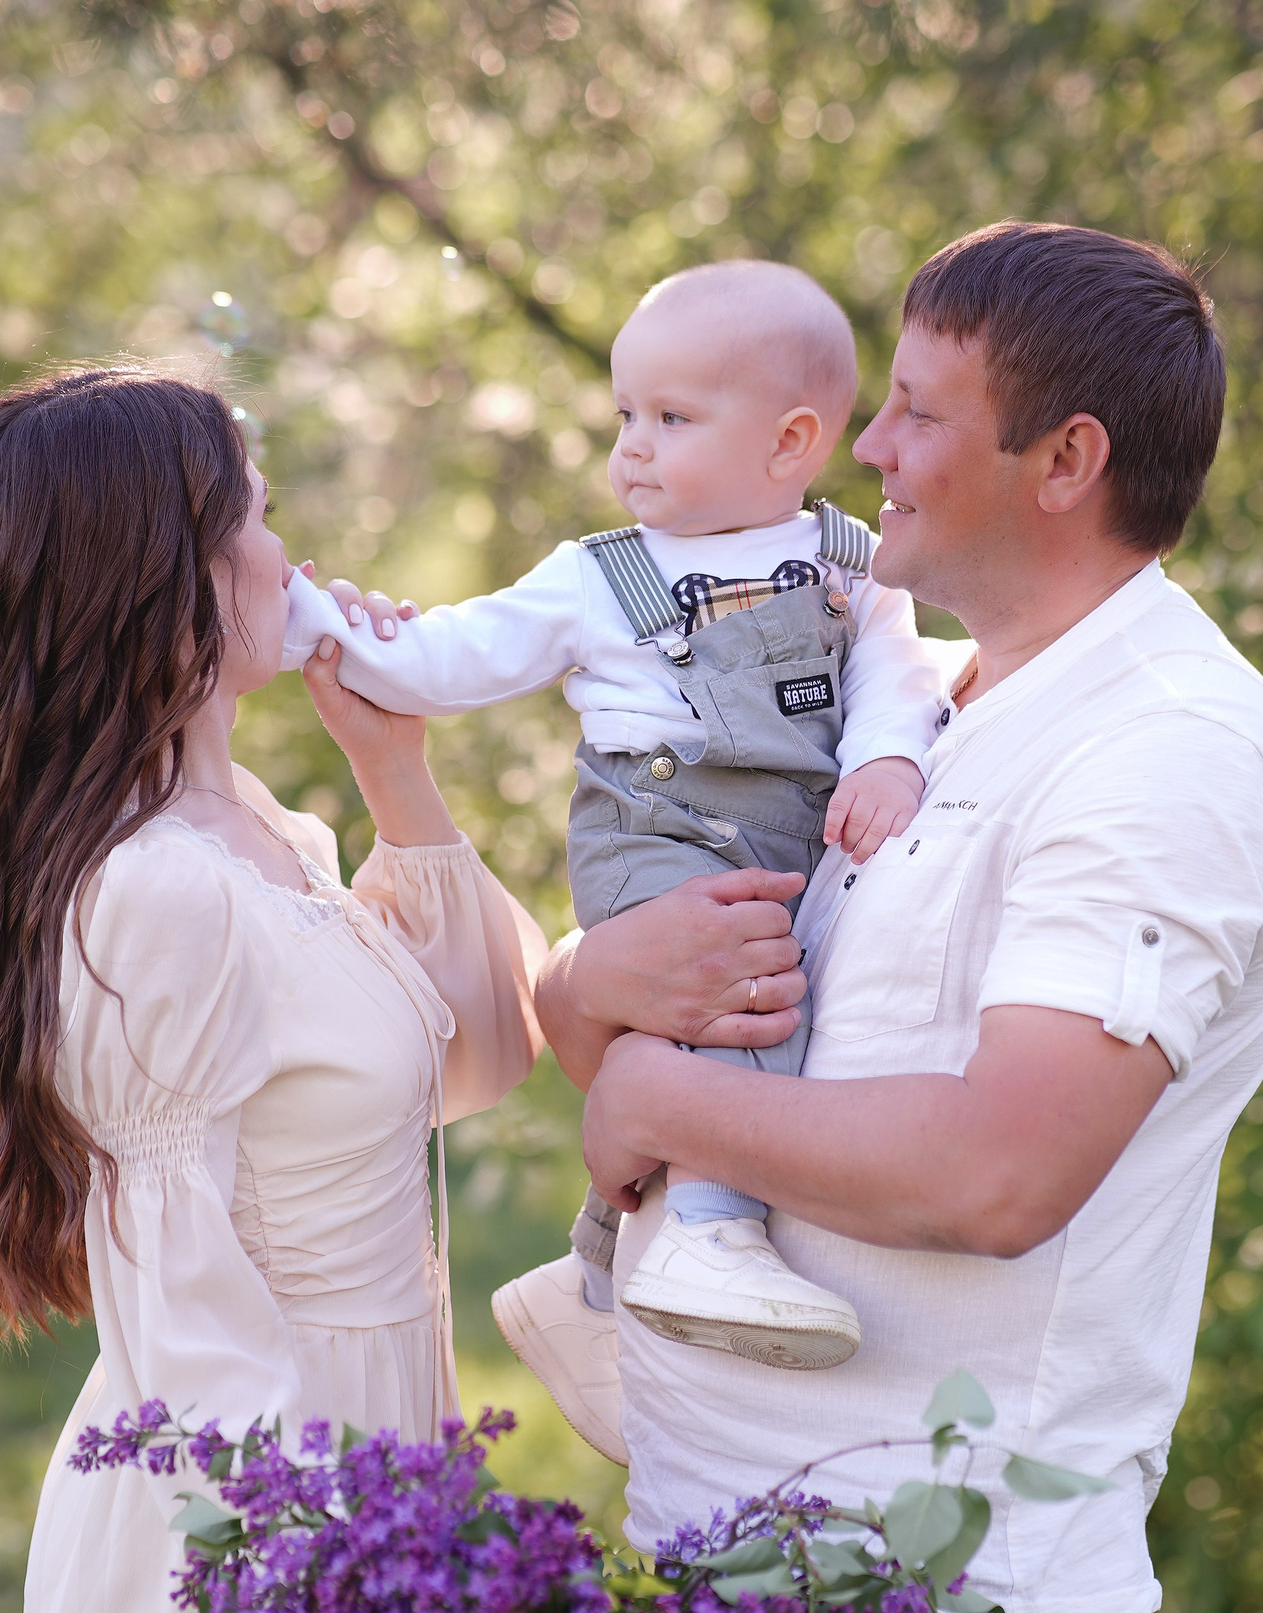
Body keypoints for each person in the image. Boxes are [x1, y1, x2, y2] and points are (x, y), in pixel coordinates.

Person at [533, 223, 1263, 1613]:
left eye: (916, 409)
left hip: (925, 1605)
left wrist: (652, 1096)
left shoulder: (1164, 752)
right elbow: (706, 1013)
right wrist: (591, 988)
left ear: (1066, 458)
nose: (869, 442)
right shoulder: (913, 696)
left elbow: (998, 1172)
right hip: (736, 1562)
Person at [0, 365, 544, 1613]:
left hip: (382, 1458)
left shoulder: (264, 834)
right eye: (255, 516)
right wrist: (329, 1582)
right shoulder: (155, 892)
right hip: (256, 1527)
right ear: (168, 577)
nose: (287, 554)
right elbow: (185, 1314)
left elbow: (488, 1054)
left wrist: (399, 773)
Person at [287, 260, 946, 1428]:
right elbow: (454, 656)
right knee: (745, 999)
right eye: (624, 416)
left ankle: (597, 1270)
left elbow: (896, 673)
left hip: (793, 835)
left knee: (771, 1002)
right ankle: (709, 1234)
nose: (632, 447)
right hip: (662, 834)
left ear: (792, 442)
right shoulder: (601, 578)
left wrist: (889, 755)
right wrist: (331, 629)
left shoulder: (852, 564)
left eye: (673, 419)